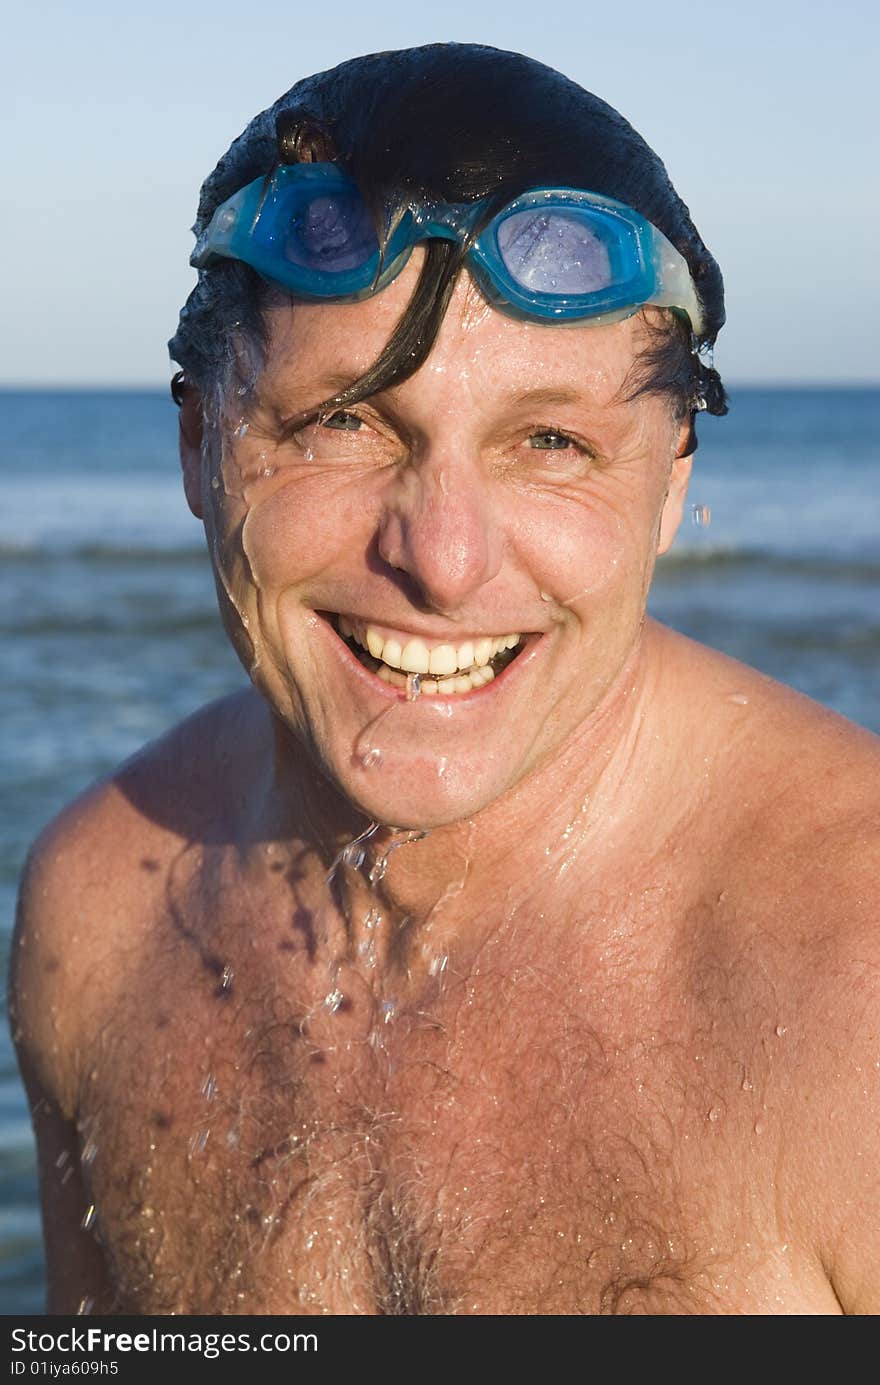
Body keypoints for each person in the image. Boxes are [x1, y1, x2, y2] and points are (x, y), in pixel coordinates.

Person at [10, 43, 880, 1317]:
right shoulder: (97, 918)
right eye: (345, 422)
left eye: (550, 441)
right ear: (203, 443)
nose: (444, 558)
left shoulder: (851, 968)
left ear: (671, 481)